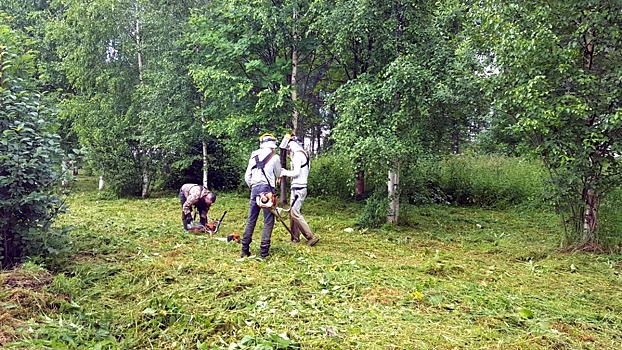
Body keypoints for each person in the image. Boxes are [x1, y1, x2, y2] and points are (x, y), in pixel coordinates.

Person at [240, 133, 282, 258]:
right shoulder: (275, 157)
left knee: (251, 219)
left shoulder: (253, 156)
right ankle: (264, 252)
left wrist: (253, 187)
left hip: (254, 188)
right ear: (272, 145)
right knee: (268, 220)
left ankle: (244, 249)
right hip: (267, 189)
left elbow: (247, 177)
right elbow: (278, 173)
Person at [280, 136, 319, 246]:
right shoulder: (304, 154)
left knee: (295, 213)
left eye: (288, 147)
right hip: (299, 187)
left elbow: (296, 173)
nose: (288, 150)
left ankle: (310, 236)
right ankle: (295, 238)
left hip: (299, 188)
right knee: (292, 213)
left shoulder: (297, 155)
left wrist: (284, 172)